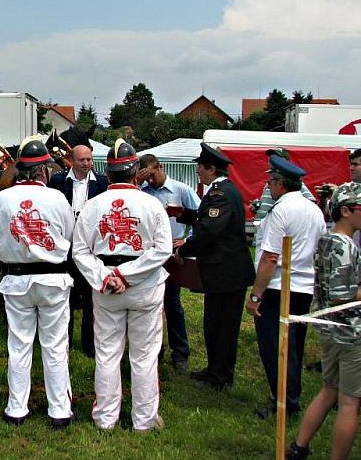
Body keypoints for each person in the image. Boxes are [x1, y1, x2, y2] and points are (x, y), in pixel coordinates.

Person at [73, 140, 172, 431]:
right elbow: (163, 249)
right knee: (144, 355)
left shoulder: (93, 206)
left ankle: (106, 418)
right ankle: (143, 420)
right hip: (144, 288)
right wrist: (127, 275)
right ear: (135, 173)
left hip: (107, 289)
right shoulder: (152, 204)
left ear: (109, 174)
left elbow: (79, 251)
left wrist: (107, 276)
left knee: (107, 353)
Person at [0, 136, 75, 429]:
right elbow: (69, 234)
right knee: (54, 346)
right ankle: (59, 410)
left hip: (17, 279)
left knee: (19, 344)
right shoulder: (57, 198)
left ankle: (17, 407)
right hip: (53, 278)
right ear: (42, 170)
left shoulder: (2, 198)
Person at [285, 183, 361, 460]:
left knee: (329, 390)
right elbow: (341, 293)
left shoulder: (328, 240)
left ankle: (299, 447)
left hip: (331, 331)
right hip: (350, 333)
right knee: (349, 402)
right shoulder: (345, 246)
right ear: (346, 211)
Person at [245, 155, 326, 419]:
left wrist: (256, 295)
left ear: (280, 183)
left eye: (270, 181)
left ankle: (282, 401)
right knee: (294, 346)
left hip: (279, 286)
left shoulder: (281, 210)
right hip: (303, 286)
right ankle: (291, 396)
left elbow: (270, 257)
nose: (268, 186)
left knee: (275, 347)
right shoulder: (313, 210)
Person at [174, 143, 254, 390]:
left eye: (200, 167)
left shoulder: (220, 193)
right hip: (220, 274)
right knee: (213, 324)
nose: (198, 171)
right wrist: (182, 215)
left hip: (228, 274)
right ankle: (213, 368)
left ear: (211, 169)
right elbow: (204, 217)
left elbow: (209, 230)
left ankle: (221, 376)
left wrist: (184, 247)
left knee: (223, 328)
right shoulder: (219, 191)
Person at [137, 153, 200, 375]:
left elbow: (202, 218)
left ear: (160, 167)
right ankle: (154, 350)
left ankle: (180, 353)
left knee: (172, 304)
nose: (151, 181)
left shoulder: (181, 191)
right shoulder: (142, 193)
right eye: (147, 178)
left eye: (152, 176)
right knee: (149, 304)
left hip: (172, 254)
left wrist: (188, 240)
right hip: (148, 255)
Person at [48, 143, 109, 358]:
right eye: (82, 160)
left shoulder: (101, 182)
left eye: (89, 159)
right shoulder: (57, 181)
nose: (86, 164)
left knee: (91, 296)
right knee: (66, 295)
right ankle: (64, 341)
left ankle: (89, 345)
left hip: (90, 247)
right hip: (66, 246)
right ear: (71, 161)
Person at [249, 148, 316, 222]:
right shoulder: (271, 181)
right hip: (263, 226)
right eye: (272, 157)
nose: (273, 159)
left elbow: (311, 205)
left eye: (277, 157)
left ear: (286, 162)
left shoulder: (294, 182)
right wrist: (259, 208)